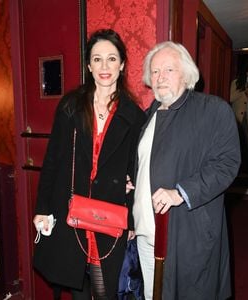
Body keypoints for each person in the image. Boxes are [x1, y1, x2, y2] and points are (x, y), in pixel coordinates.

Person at [33, 29, 145, 300]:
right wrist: (42, 208)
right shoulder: (71, 106)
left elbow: (137, 172)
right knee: (77, 286)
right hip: (71, 209)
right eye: (97, 59)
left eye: (111, 59)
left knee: (106, 289)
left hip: (109, 215)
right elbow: (52, 160)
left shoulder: (135, 116)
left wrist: (130, 219)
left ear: (122, 64)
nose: (104, 67)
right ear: (88, 65)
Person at [133, 41, 241, 299]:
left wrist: (179, 193)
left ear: (186, 73)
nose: (160, 78)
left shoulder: (213, 110)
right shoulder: (150, 114)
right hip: (147, 233)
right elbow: (148, 162)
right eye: (155, 72)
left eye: (168, 70)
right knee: (152, 295)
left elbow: (227, 163)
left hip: (186, 236)